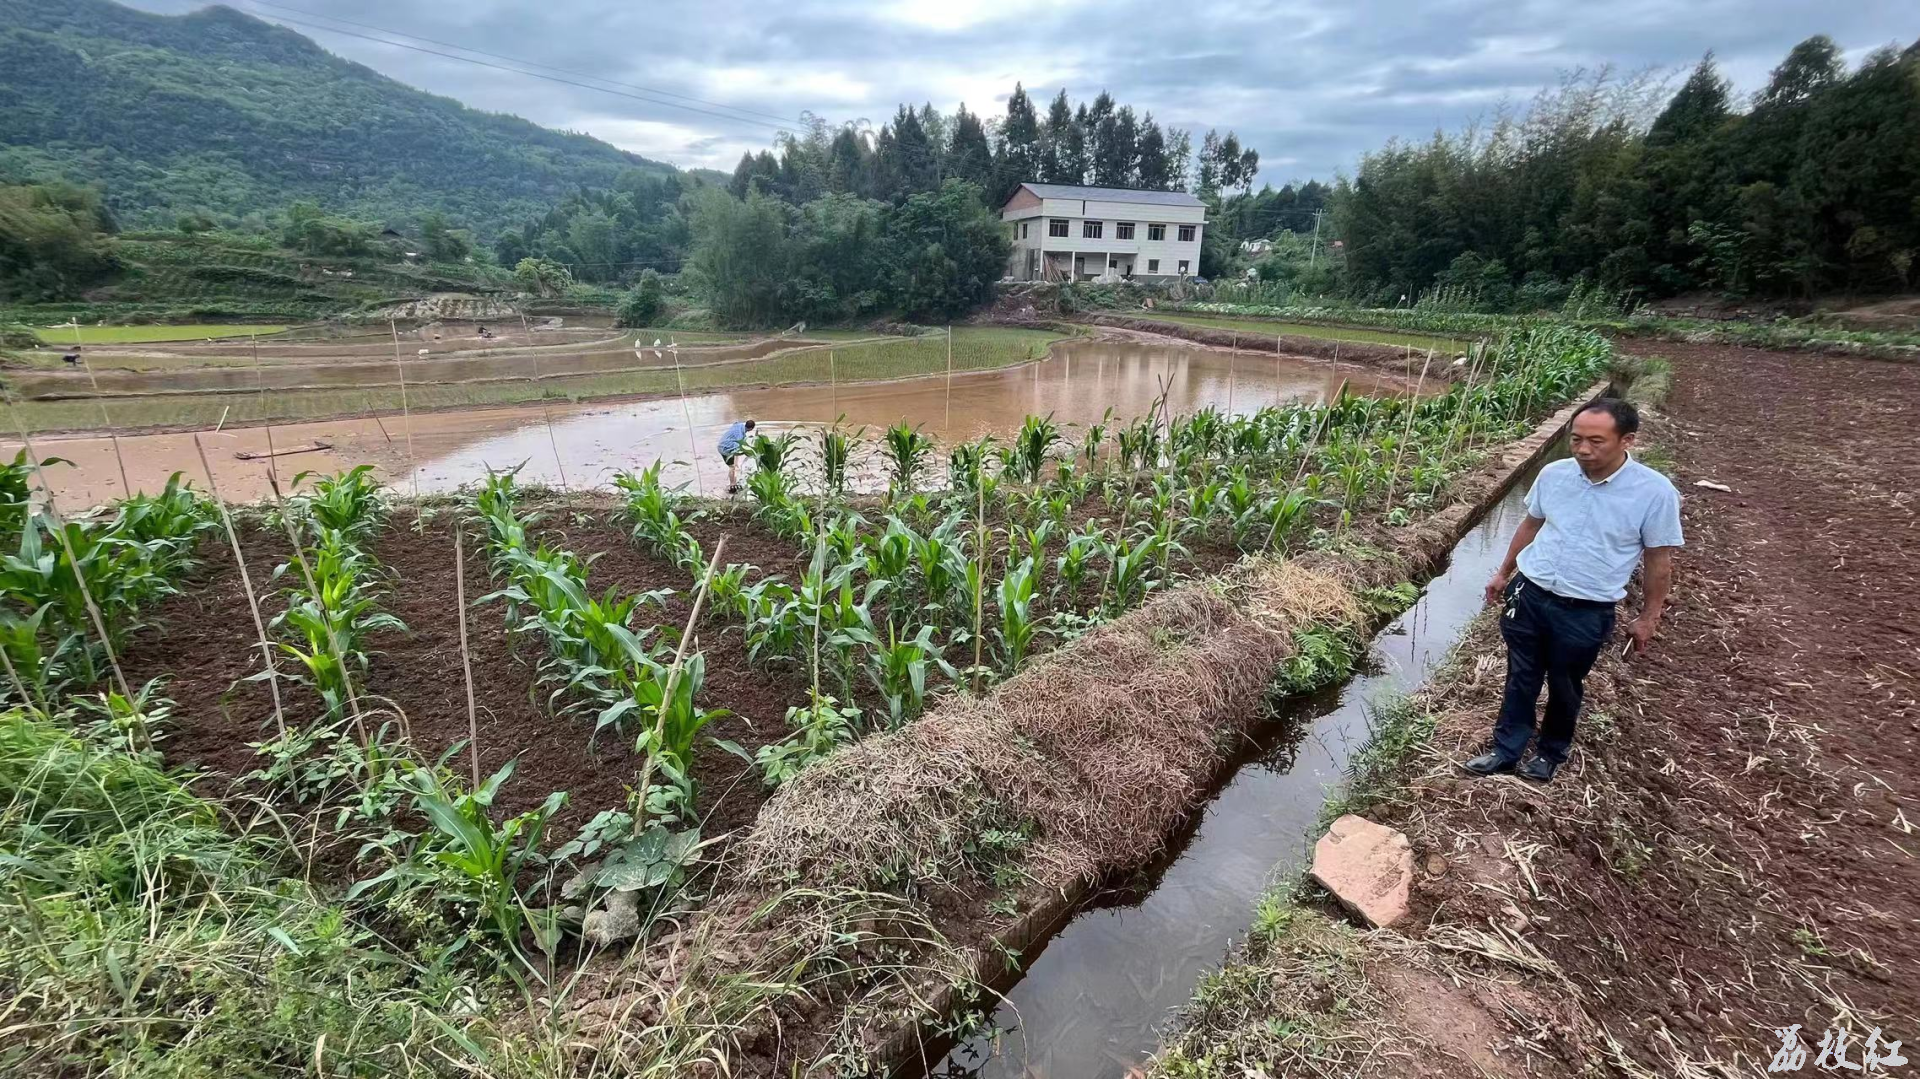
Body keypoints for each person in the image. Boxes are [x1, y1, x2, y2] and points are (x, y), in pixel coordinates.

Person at [1467, 398, 1683, 783]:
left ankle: (1550, 753)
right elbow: (1530, 525)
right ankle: (1506, 749)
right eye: (1576, 439)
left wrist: (1650, 616)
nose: (1583, 449)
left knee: (1566, 682)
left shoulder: (1654, 492)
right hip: (1530, 594)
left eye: (1596, 441)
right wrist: (1503, 572)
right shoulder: (1554, 475)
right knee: (1521, 675)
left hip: (1585, 608)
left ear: (1627, 440)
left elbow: (1657, 561)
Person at [718, 418, 755, 494]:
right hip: (725, 448)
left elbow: (735, 423)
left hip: (721, 443)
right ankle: (732, 485)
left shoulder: (739, 425)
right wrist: (748, 453)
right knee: (731, 467)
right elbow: (738, 449)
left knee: (735, 465)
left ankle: (734, 481)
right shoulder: (740, 437)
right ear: (751, 429)